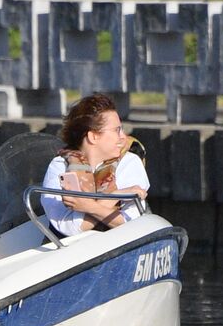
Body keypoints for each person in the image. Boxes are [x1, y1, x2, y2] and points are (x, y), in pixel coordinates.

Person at [41, 94, 150, 236]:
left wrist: (87, 206)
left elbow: (130, 222)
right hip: (73, 250)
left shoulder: (130, 162)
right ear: (93, 137)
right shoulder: (59, 166)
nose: (123, 136)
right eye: (117, 130)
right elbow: (70, 228)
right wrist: (116, 196)